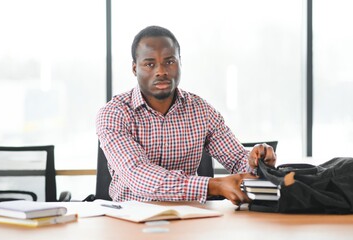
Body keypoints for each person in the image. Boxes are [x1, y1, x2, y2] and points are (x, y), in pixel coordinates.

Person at [96, 25, 276, 206]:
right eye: (150, 64)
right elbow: (139, 176)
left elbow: (237, 160)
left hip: (190, 217)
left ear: (180, 62)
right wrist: (215, 185)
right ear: (135, 69)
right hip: (129, 219)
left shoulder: (201, 110)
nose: (161, 71)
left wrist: (255, 163)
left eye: (169, 61)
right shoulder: (114, 113)